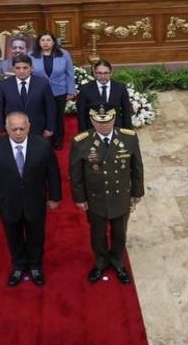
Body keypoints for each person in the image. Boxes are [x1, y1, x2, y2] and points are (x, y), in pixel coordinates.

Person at [0, 111, 61, 287]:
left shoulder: (42, 145)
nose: (18, 133)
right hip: (8, 203)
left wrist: (54, 197)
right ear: (6, 128)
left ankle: (35, 265)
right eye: (14, 129)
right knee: (13, 236)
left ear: (29, 127)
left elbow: (53, 174)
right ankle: (18, 264)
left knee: (36, 236)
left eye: (21, 128)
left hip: (36, 201)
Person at [70, 107, 144, 283]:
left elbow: (137, 168)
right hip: (96, 198)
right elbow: (76, 174)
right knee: (98, 234)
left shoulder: (129, 138)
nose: (103, 125)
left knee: (120, 233)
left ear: (114, 119)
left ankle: (118, 261)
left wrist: (137, 192)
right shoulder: (81, 142)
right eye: (99, 121)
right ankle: (101, 261)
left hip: (121, 197)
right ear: (92, 121)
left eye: (107, 121)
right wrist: (80, 198)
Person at [30, 32, 76, 149]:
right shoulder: (31, 55)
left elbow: (69, 73)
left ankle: (58, 140)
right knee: (42, 115)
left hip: (59, 91)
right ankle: (44, 140)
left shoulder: (63, 54)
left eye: (48, 40)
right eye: (43, 40)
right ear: (38, 42)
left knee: (57, 116)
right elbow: (28, 73)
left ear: (53, 42)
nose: (45, 43)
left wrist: (71, 90)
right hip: (40, 91)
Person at [0, 54, 56, 138]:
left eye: (25, 68)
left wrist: (49, 128)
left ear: (31, 69)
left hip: (37, 129)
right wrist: (1, 128)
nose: (21, 71)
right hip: (14, 130)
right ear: (13, 69)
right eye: (18, 68)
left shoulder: (43, 84)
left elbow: (50, 107)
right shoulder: (4, 85)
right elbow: (0, 108)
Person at [77, 59, 134, 131]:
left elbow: (126, 111)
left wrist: (127, 132)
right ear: (94, 73)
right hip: (93, 130)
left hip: (116, 129)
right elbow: (81, 113)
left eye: (106, 73)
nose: (103, 76)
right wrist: (83, 133)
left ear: (111, 73)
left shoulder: (120, 88)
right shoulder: (85, 89)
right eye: (99, 73)